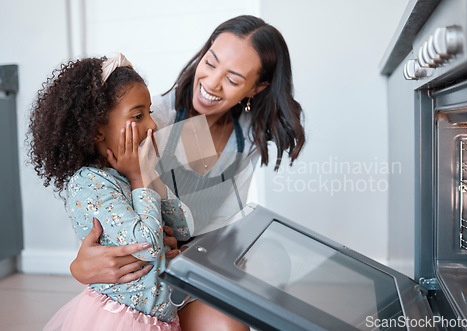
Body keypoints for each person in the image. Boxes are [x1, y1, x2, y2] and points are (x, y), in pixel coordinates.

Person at [70, 15, 306, 330]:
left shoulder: (247, 136)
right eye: (210, 63)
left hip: (199, 260)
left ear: (257, 87)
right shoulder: (154, 123)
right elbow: (102, 211)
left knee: (272, 265)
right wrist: (78, 266)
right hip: (149, 273)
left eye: (233, 79)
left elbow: (224, 224)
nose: (210, 83)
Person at [28, 53, 194, 330]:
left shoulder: (134, 175)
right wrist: (139, 177)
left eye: (150, 113)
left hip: (159, 320)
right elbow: (149, 247)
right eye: (138, 115)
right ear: (96, 130)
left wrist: (148, 177)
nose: (152, 125)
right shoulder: (89, 183)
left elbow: (184, 227)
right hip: (122, 319)